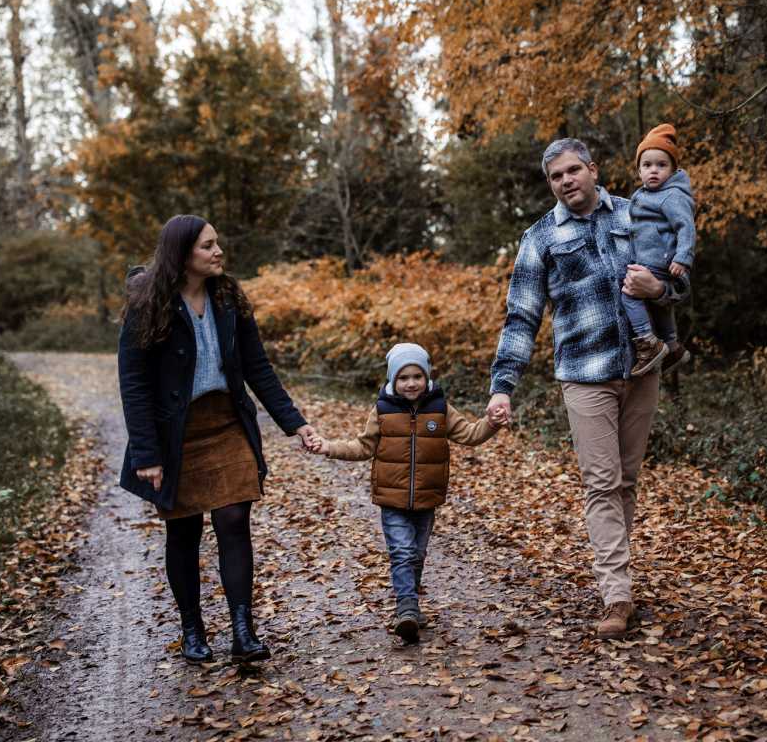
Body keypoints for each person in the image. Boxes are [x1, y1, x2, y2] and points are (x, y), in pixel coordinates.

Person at [487, 138, 686, 640]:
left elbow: (678, 280)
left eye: (574, 170)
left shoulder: (636, 212)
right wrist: (502, 385)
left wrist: (658, 290)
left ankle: (617, 576)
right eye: (556, 177)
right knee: (602, 482)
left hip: (643, 370)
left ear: (593, 170)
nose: (566, 181)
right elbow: (522, 316)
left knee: (626, 481)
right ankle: (617, 596)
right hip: (584, 375)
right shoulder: (540, 238)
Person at [117, 214, 321, 665]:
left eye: (217, 244)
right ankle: (193, 630)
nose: (218, 252)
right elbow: (133, 383)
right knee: (184, 531)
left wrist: (295, 423)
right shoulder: (147, 303)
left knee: (233, 520)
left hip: (227, 423)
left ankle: (243, 631)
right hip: (176, 434)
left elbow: (257, 368)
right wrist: (147, 454)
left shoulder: (229, 296)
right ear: (182, 254)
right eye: (208, 246)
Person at [307, 343, 502, 643]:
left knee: (417, 555)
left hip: (427, 498)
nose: (411, 383)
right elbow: (362, 446)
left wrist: (491, 423)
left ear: (426, 377)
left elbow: (471, 435)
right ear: (392, 380)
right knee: (402, 552)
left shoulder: (440, 408)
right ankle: (406, 609)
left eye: (417, 376)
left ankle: (411, 605)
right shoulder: (383, 410)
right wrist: (329, 447)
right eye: (403, 378)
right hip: (392, 499)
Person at [623, 123, 695, 375]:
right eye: (647, 165)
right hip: (651, 258)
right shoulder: (644, 196)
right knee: (658, 305)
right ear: (639, 170)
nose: (653, 170)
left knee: (629, 294)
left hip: (659, 260)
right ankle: (673, 346)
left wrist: (683, 257)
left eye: (661, 165)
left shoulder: (671, 196)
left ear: (673, 169)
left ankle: (648, 341)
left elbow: (685, 227)